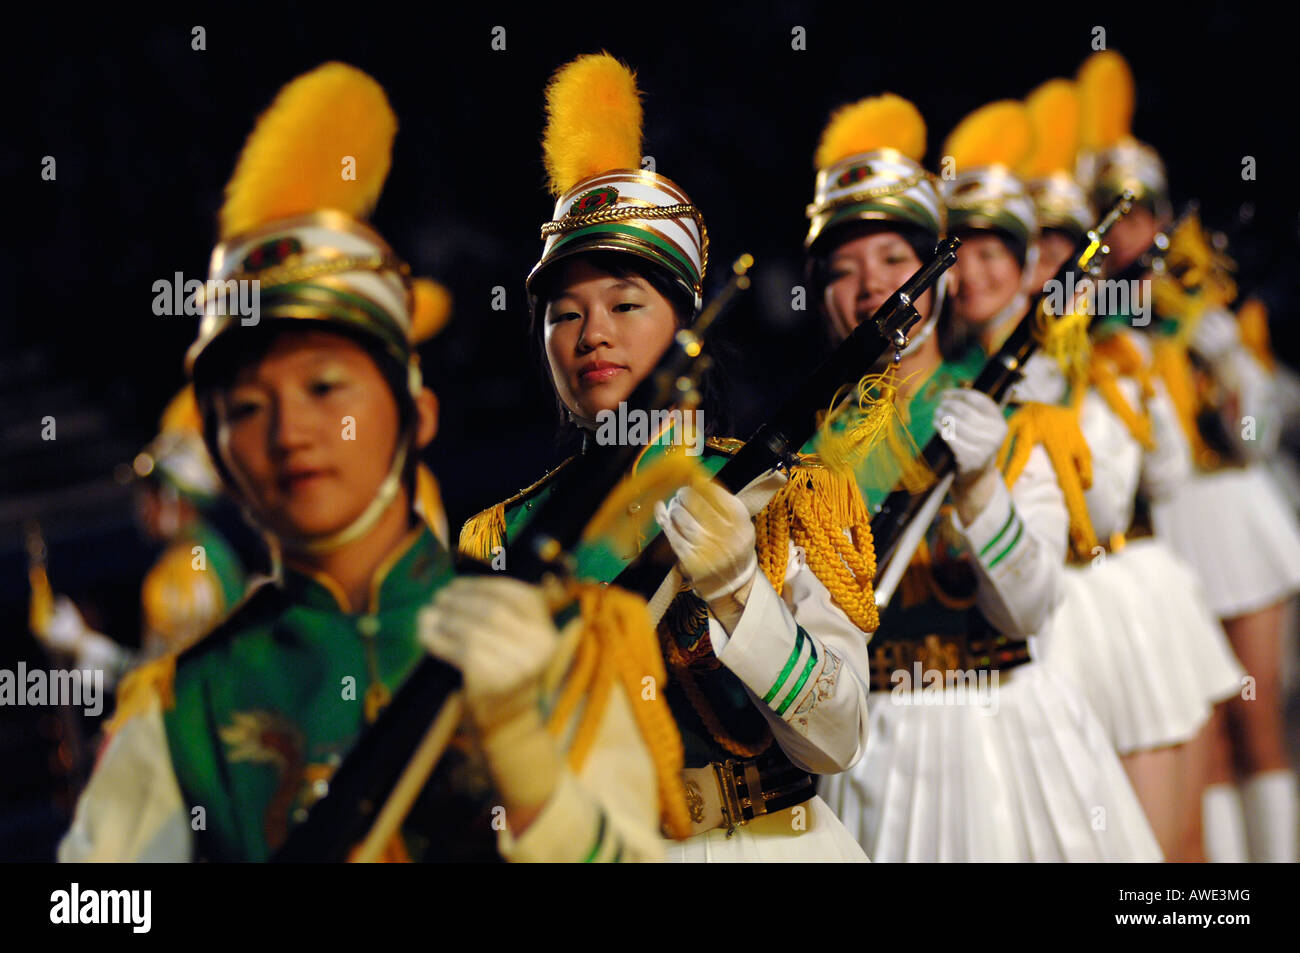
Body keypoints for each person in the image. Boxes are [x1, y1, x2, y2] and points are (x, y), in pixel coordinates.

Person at [59, 61, 675, 863]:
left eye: (325, 386)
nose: (289, 432)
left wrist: (531, 773)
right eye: (246, 407)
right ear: (218, 451)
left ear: (417, 413)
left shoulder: (571, 638)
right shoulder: (185, 704)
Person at [459, 52, 872, 861]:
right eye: (564, 314)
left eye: (624, 303)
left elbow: (839, 737)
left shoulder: (791, 496)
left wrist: (740, 593)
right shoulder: (503, 536)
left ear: (691, 329)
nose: (592, 335)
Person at [809, 92, 1160, 860]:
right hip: (875, 759)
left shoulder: (1014, 415)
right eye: (843, 269)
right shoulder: (801, 462)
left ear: (939, 274)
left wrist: (980, 490)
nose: (873, 288)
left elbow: (1030, 607)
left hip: (1011, 733)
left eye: (896, 260)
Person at [1018, 68, 1241, 862]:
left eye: (1060, 246)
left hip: (1126, 587)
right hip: (1047, 620)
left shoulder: (1122, 348)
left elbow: (1169, 474)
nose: (1049, 267)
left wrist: (1195, 368)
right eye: (1033, 248)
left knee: (1179, 840)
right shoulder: (990, 371)